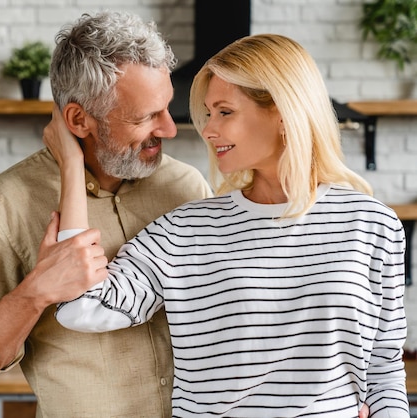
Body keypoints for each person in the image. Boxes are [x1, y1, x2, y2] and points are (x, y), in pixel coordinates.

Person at [43, 33, 408, 417]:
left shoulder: (371, 225)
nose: (208, 129)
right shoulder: (185, 230)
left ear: (283, 113)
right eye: (208, 112)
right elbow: (81, 307)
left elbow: (383, 371)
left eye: (225, 112)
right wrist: (71, 163)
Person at [0, 11, 212, 418]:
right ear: (79, 120)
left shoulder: (186, 188)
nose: (170, 129)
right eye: (144, 117)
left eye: (167, 108)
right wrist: (36, 292)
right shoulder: (8, 202)